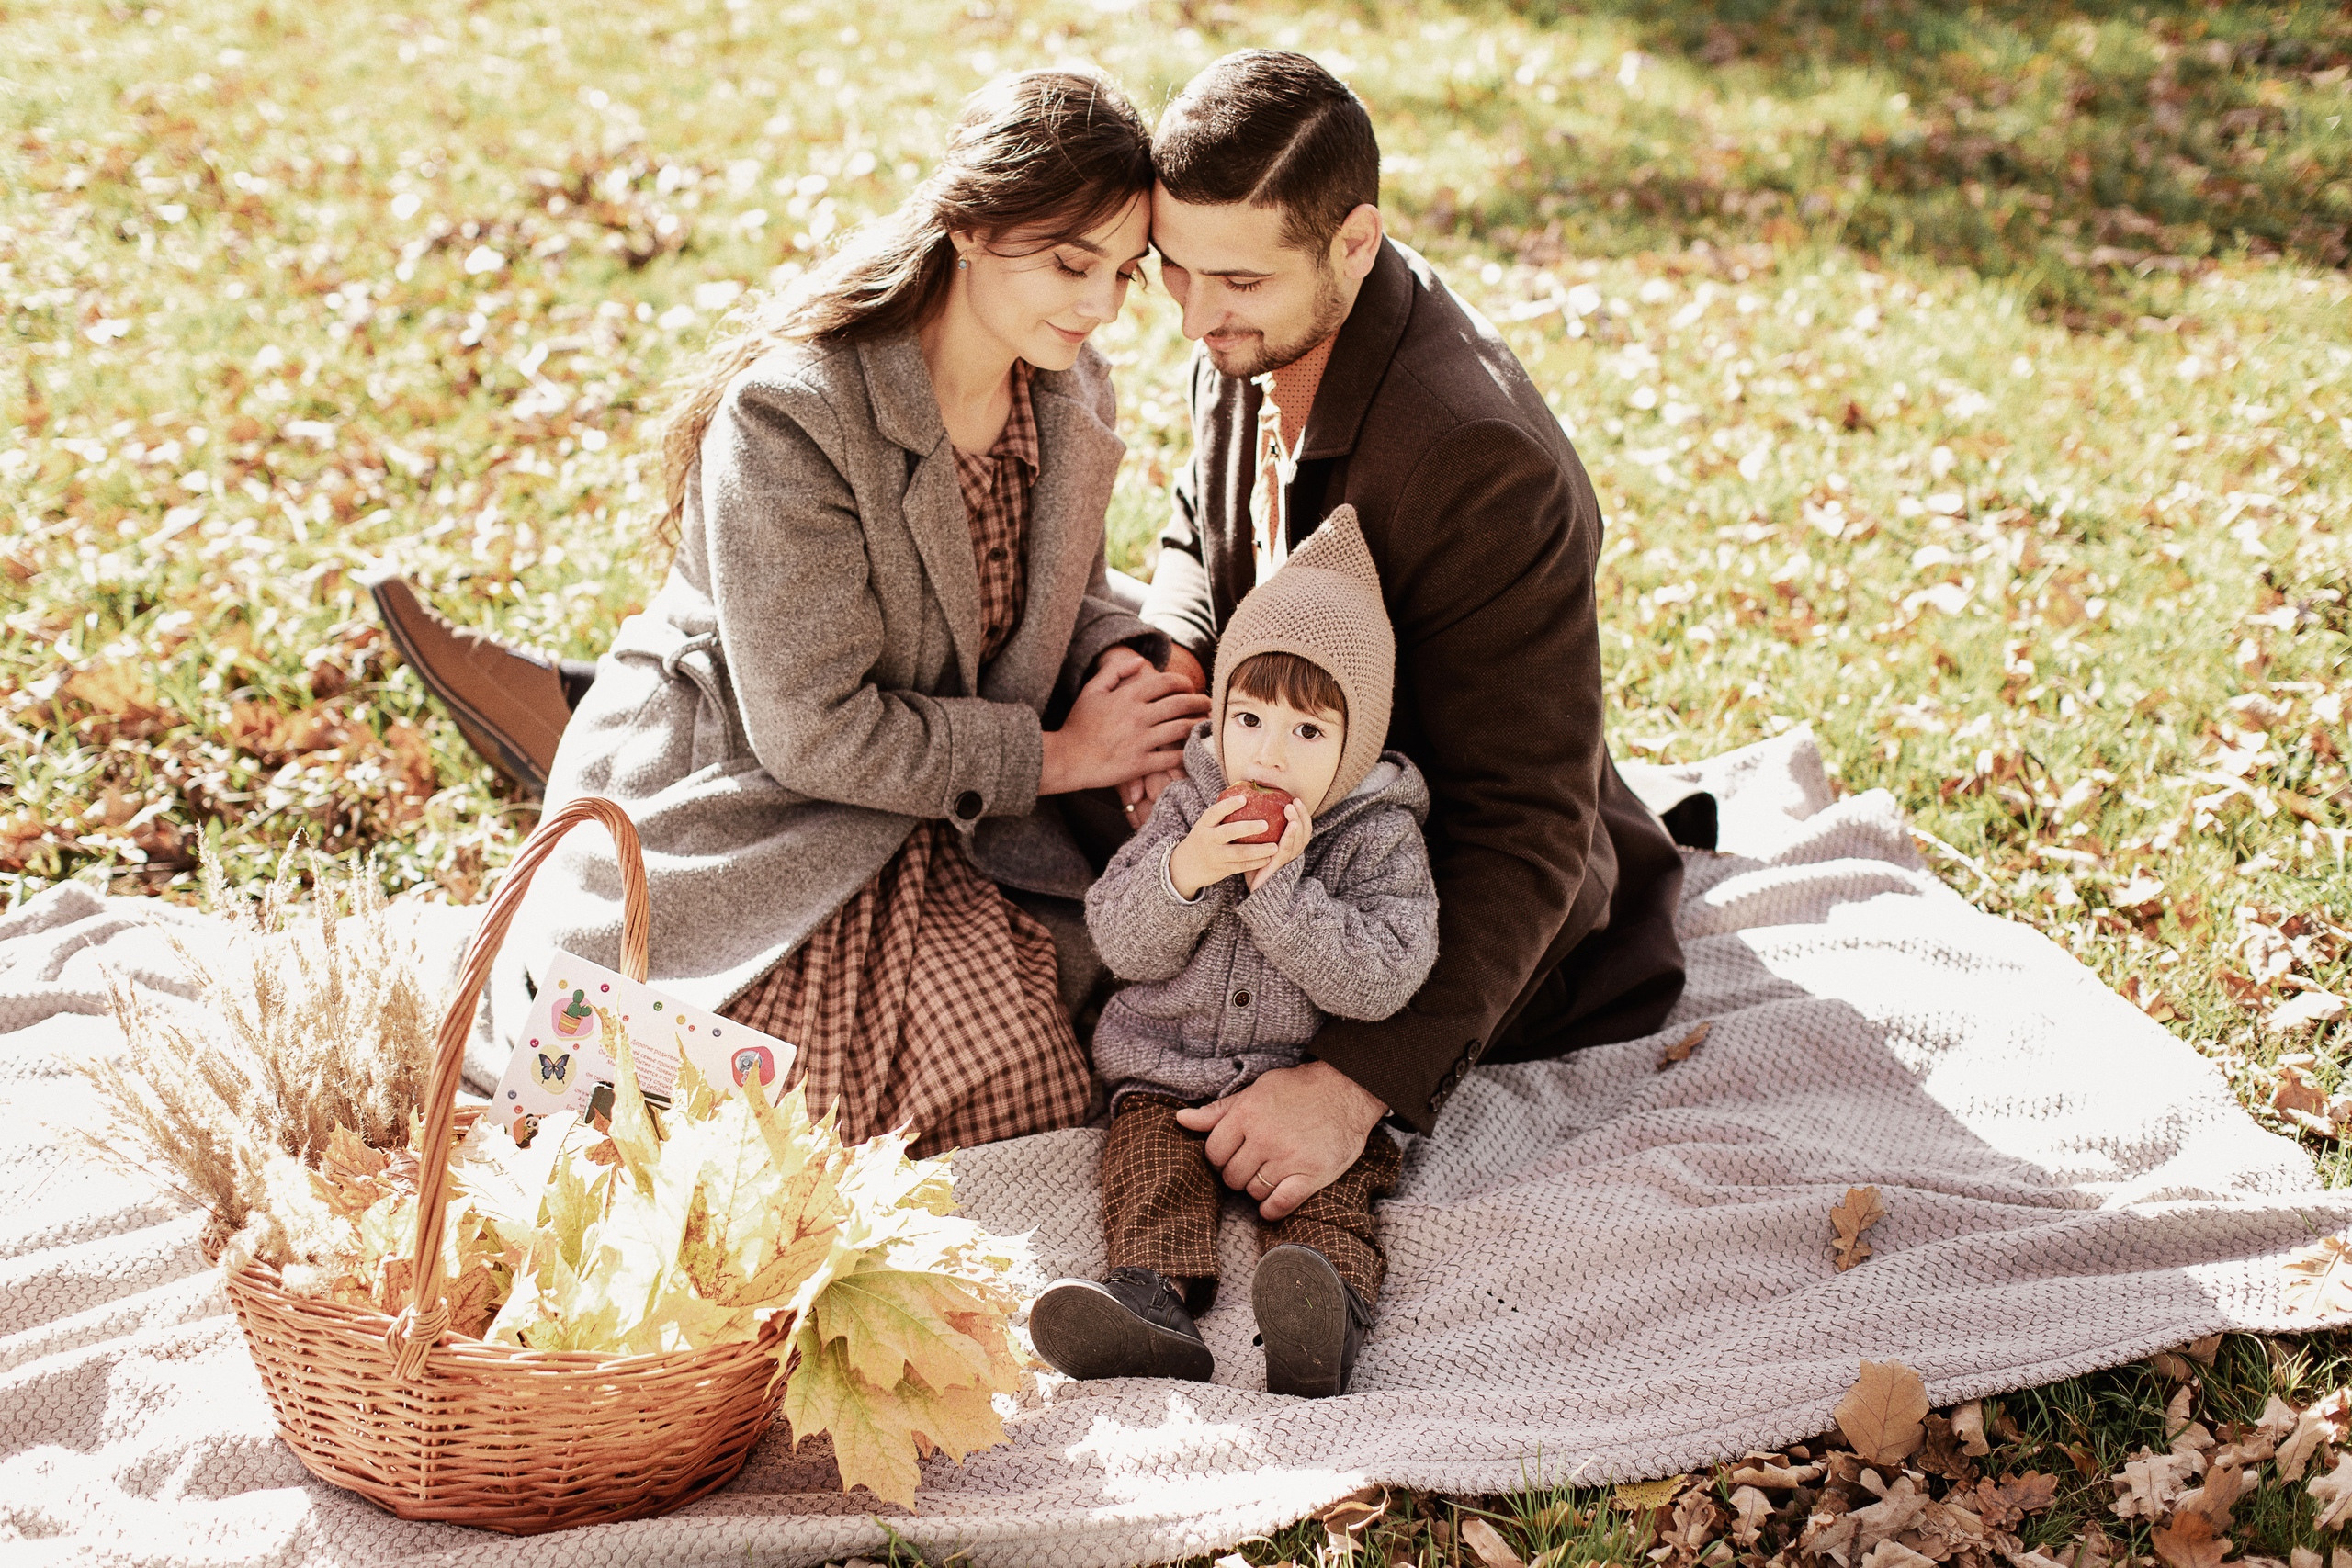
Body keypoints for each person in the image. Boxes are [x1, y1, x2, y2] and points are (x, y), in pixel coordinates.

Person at [476, 68, 1209, 1156]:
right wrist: (1062, 757)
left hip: (940, 809)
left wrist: (1126, 668)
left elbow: (1061, 595)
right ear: (969, 225)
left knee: (1037, 1073)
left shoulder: (1067, 385)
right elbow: (811, 730)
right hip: (761, 802)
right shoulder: (794, 414)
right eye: (1070, 264)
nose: (1100, 306)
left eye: (1122, 274)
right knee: (738, 1135)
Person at [1125, 49, 1691, 1232]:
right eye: (1173, 270)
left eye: (1233, 279)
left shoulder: (1479, 462)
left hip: (1411, 877)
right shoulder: (1258, 324)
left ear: (1355, 242)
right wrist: (1171, 653)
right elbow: (1197, 513)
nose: (1192, 315)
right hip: (1258, 792)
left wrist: (1353, 1087)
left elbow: (1527, 821)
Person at [1028, 509, 1436, 1397]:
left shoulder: (1378, 836)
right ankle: (1150, 1303)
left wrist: (1282, 894)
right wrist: (1186, 870)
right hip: (1169, 1073)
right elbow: (1118, 938)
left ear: (1358, 742)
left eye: (1308, 732)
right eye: (1249, 718)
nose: (1269, 755)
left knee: (1330, 1196)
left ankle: (1320, 1312)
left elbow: (1386, 975)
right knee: (1146, 1168)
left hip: (1299, 1085)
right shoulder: (1193, 803)